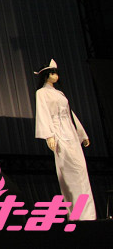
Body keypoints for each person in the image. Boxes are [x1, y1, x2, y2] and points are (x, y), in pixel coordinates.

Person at [34, 59, 96, 220]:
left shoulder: (59, 94)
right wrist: (49, 135)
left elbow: (70, 114)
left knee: (81, 170)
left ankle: (88, 215)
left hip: (70, 132)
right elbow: (43, 113)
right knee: (68, 173)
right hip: (58, 132)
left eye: (56, 73)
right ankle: (77, 214)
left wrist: (82, 134)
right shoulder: (42, 93)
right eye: (52, 73)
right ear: (46, 75)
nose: (55, 76)